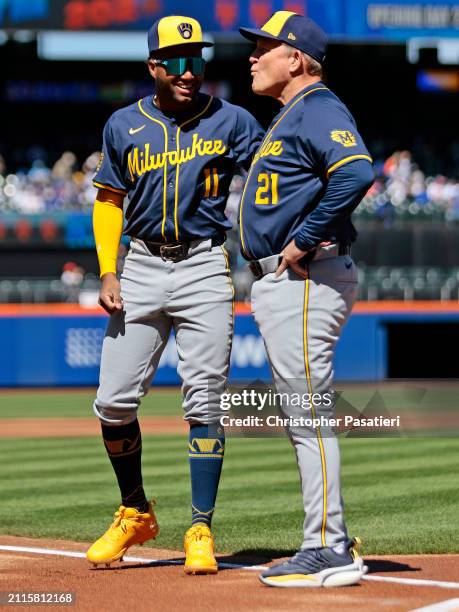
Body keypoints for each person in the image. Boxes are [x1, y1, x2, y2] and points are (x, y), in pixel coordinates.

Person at [86, 15, 263, 574]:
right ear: (155, 67)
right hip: (139, 264)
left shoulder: (232, 120)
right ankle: (135, 511)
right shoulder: (124, 124)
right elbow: (109, 199)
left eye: (198, 59)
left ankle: (200, 527)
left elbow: (271, 178)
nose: (191, 71)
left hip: (205, 264)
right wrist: (108, 271)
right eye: (179, 61)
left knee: (205, 401)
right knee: (113, 401)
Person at [238, 11, 375, 587]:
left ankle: (328, 545)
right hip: (293, 280)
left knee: (307, 413)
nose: (253, 56)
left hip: (306, 277)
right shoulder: (292, 114)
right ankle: (328, 537)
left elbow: (356, 171)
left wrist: (298, 239)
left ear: (295, 58)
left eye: (265, 47)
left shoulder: (317, 107)